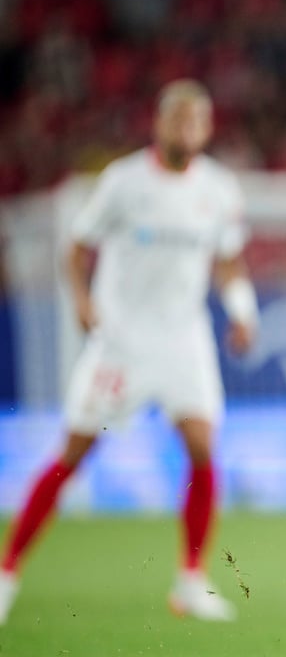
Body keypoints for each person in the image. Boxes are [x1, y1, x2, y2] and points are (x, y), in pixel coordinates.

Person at [0, 79, 256, 624]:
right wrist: (82, 301)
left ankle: (191, 580)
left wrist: (242, 312)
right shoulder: (123, 182)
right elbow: (76, 247)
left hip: (183, 338)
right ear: (159, 124)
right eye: (179, 119)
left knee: (202, 446)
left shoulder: (219, 189)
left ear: (208, 129)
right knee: (73, 453)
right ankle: (7, 572)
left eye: (197, 121)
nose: (187, 129)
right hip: (122, 341)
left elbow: (228, 260)